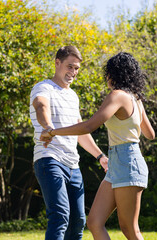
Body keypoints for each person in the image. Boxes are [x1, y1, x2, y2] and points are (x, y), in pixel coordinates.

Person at [41, 52, 155, 240]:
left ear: (113, 74)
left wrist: (53, 132)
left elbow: (89, 126)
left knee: (129, 229)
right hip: (118, 162)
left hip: (128, 162)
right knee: (94, 221)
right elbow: (150, 134)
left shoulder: (117, 96)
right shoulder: (135, 98)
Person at [30, 46, 108, 240]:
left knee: (78, 221)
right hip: (50, 159)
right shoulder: (43, 87)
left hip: (73, 165)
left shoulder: (73, 96)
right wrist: (48, 127)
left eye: (77, 69)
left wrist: (100, 156)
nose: (73, 72)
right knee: (60, 216)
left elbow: (80, 130)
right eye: (69, 66)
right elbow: (41, 106)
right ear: (57, 63)